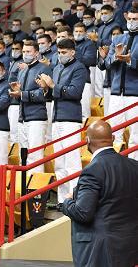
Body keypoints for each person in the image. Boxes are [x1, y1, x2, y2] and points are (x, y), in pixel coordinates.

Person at [62, 120, 138, 267]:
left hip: (101, 252)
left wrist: (67, 202)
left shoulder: (92, 170)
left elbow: (83, 213)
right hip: (130, 247)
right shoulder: (134, 167)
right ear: (113, 139)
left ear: (87, 141)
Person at [37, 39, 86, 204]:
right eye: (59, 52)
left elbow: (75, 92)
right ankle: (62, 200)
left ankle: (76, 199)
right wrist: (46, 88)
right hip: (57, 117)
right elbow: (52, 95)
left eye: (64, 52)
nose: (61, 55)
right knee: (59, 162)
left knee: (72, 161)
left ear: (73, 52)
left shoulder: (79, 67)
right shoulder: (57, 68)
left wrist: (52, 85)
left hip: (71, 118)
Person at [9, 40, 50, 174]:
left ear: (36, 53)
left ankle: (36, 193)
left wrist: (22, 94)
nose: (25, 54)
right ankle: (24, 188)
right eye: (24, 52)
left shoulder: (43, 69)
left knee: (35, 156)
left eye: (28, 52)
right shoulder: (22, 71)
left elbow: (43, 93)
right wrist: (17, 92)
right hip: (23, 118)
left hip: (36, 117)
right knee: (23, 156)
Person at [104, 8, 138, 160]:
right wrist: (116, 58)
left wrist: (130, 60)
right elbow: (106, 63)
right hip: (117, 93)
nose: (131, 22)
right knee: (114, 133)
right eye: (129, 19)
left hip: (135, 94)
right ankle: (116, 168)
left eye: (135, 19)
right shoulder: (118, 39)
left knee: (136, 136)